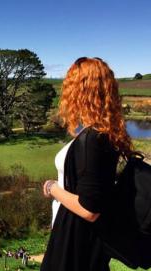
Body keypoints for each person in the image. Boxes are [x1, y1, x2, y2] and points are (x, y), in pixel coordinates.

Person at [41, 57, 134, 271]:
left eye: (69, 85)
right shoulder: (102, 133)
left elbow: (89, 208)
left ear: (81, 91)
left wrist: (52, 188)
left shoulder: (94, 138)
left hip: (76, 243)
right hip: (80, 239)